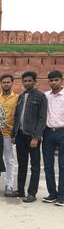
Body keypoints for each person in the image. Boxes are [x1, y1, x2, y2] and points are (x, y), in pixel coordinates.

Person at [11, 71, 47, 203]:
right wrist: (14, 134)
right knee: (22, 164)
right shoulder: (21, 96)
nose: (27, 83)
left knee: (35, 165)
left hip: (32, 136)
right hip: (20, 135)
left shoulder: (40, 96)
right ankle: (20, 190)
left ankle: (32, 193)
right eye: (25, 81)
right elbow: (16, 117)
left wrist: (36, 137)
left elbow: (42, 118)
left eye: (29, 81)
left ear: (35, 81)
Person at [0, 74, 19, 196]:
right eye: (4, 82)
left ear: (12, 83)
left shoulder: (17, 98)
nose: (6, 84)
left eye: (8, 82)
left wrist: (15, 134)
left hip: (8, 134)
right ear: (0, 83)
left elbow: (18, 117)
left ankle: (9, 185)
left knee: (9, 160)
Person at [41, 70, 64, 206]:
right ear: (48, 82)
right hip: (48, 132)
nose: (53, 83)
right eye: (51, 80)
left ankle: (62, 196)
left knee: (63, 165)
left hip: (62, 132)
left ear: (61, 80)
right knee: (48, 165)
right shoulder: (45, 96)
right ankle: (52, 193)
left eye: (56, 80)